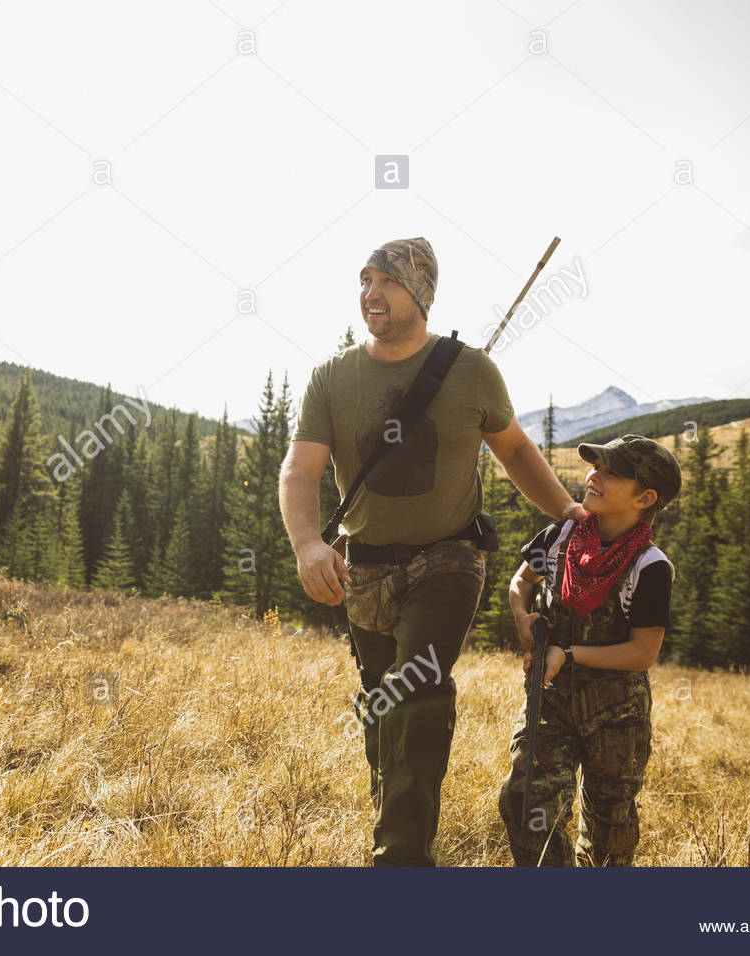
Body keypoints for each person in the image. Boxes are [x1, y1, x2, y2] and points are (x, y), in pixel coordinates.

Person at [279, 236, 587, 866]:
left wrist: (568, 511)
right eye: (364, 281)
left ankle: (401, 863)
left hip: (450, 557)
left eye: (386, 282)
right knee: (381, 707)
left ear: (419, 293)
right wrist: (310, 543)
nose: (370, 294)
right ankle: (397, 826)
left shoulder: (471, 370)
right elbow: (299, 471)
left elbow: (517, 452)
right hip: (364, 566)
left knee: (416, 687)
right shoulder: (332, 379)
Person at [498, 434, 682, 867]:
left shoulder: (650, 567)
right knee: (526, 804)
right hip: (551, 704)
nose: (592, 476)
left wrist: (569, 653)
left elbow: (642, 653)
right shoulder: (560, 537)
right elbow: (521, 582)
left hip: (617, 717)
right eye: (595, 466)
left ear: (646, 497)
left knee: (609, 837)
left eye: (611, 473)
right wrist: (522, 616)